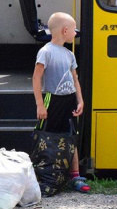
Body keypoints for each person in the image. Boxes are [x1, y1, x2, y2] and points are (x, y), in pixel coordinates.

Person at [32, 12, 90, 193]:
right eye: (74, 30)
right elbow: (36, 78)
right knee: (47, 136)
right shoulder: (45, 51)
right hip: (52, 99)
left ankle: (75, 175)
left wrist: (80, 101)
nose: (76, 33)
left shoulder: (69, 54)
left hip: (69, 100)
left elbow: (75, 80)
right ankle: (45, 172)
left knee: (70, 136)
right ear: (65, 31)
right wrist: (40, 105)